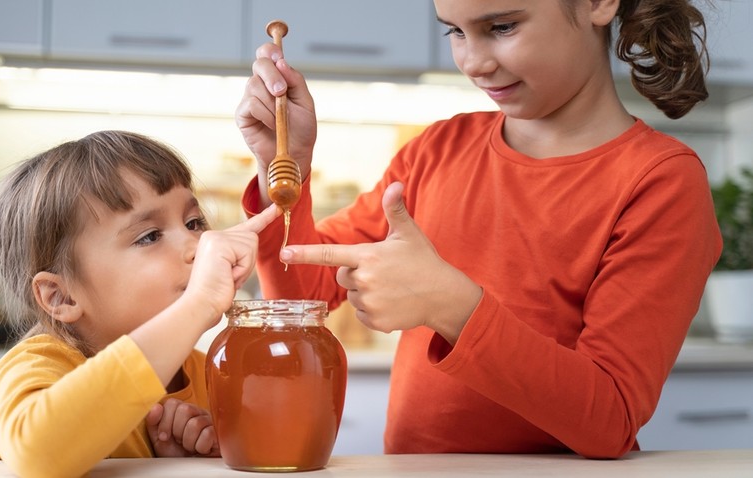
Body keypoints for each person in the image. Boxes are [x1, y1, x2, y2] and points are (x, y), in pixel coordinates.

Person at [235, 0, 722, 459]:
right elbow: (302, 290)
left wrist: (452, 305)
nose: (473, 62)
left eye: (502, 27)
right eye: (454, 31)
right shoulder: (438, 149)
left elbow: (610, 418)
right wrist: (286, 165)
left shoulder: (661, 181)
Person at [0, 130, 279, 477]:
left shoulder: (207, 372)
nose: (198, 244)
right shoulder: (39, 365)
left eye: (194, 223)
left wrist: (194, 461)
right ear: (61, 296)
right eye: (149, 236)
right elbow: (37, 455)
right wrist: (199, 304)